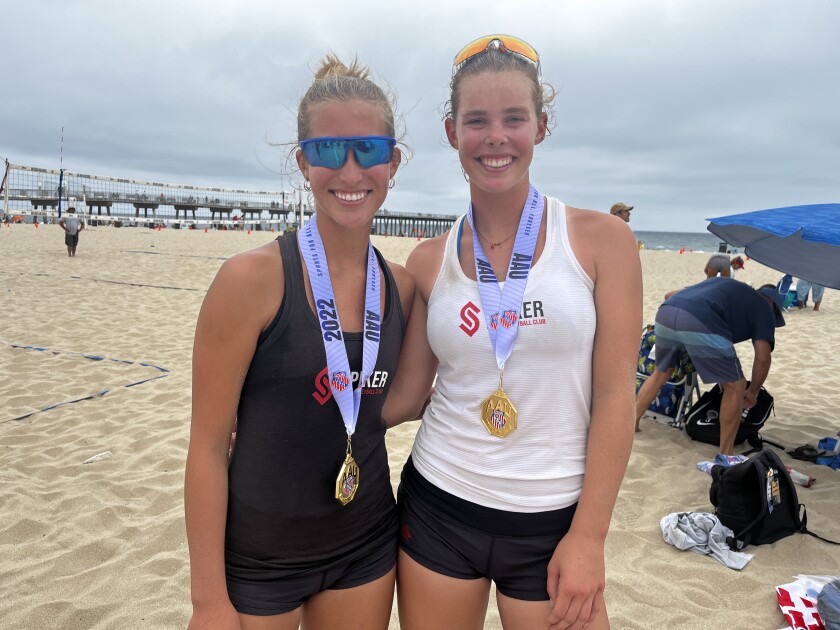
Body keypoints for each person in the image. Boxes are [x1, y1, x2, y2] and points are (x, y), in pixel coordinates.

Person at [382, 35, 642, 630]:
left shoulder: (602, 242)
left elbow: (613, 399)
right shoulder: (428, 261)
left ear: (541, 127)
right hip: (440, 506)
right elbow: (404, 397)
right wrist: (296, 417)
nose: (495, 137)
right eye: (476, 121)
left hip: (554, 523)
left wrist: (591, 536)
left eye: (513, 119)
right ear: (452, 133)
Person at [184, 54, 412, 630]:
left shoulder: (403, 287)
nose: (351, 171)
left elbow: (402, 403)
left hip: (365, 543)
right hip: (260, 559)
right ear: (303, 162)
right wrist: (208, 602)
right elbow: (208, 447)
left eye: (370, 150)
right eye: (329, 150)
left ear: (394, 162)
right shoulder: (250, 282)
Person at [634, 278, 786, 457]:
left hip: (667, 312)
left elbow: (669, 295)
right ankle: (726, 454)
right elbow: (763, 358)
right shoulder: (764, 307)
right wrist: (753, 392)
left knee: (661, 373)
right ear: (773, 304)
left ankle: (632, 424)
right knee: (736, 385)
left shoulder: (726, 286)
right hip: (700, 319)